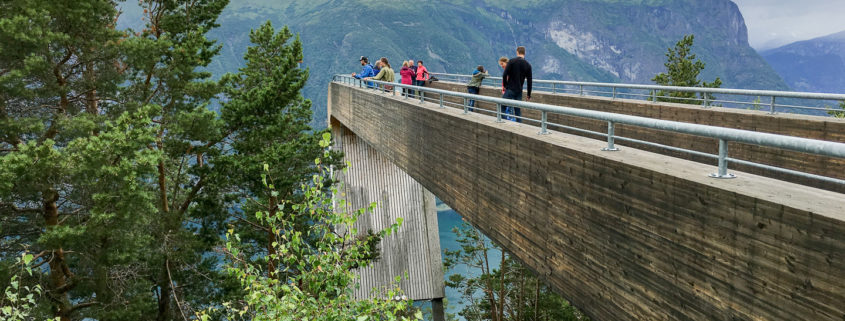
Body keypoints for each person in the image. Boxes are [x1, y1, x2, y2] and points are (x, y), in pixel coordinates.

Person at [502, 46, 532, 123]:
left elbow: (504, 74)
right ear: (524, 53)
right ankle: (520, 126)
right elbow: (529, 81)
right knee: (517, 111)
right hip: (519, 91)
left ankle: (504, 123)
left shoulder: (512, 61)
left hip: (510, 89)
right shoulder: (528, 65)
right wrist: (528, 94)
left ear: (517, 52)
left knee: (502, 106)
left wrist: (505, 86)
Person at [497, 56, 514, 121]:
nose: (501, 66)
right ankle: (507, 119)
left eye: (502, 64)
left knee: (507, 106)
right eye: (500, 64)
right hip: (506, 90)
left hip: (509, 90)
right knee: (507, 105)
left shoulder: (509, 69)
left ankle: (507, 119)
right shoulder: (507, 69)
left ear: (505, 62)